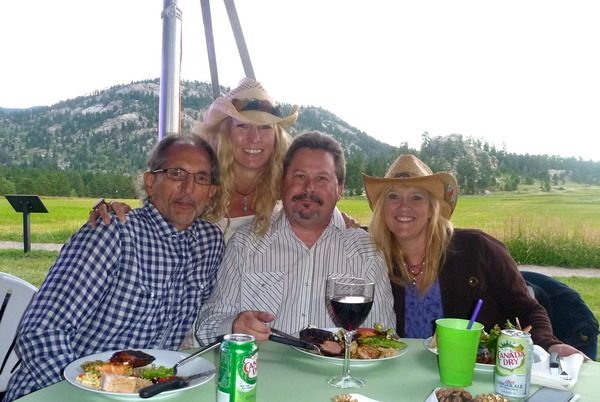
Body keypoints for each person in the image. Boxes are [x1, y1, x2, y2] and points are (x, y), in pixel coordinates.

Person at [3, 134, 224, 402]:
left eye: (201, 178)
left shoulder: (209, 243)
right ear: (150, 182)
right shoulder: (113, 231)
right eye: (176, 173)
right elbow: (41, 332)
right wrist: (81, 394)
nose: (188, 188)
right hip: (57, 392)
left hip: (145, 393)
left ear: (211, 191)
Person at [362, 154, 584, 357]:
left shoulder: (477, 248)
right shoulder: (372, 258)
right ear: (382, 207)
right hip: (404, 373)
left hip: (477, 372)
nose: (403, 207)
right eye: (393, 196)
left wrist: (549, 344)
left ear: (432, 208)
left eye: (416, 198)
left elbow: (526, 309)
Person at [195, 131, 396, 344]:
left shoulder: (366, 251)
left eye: (321, 179)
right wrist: (233, 326)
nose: (309, 188)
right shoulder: (246, 243)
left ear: (339, 189)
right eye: (299, 176)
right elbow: (206, 326)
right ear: (283, 182)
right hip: (262, 365)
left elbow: (383, 337)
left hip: (337, 366)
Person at [90, 77, 299, 242]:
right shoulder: (199, 184)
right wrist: (118, 215)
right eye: (243, 126)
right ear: (225, 133)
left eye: (265, 128)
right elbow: (156, 223)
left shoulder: (288, 192)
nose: (254, 138)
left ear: (276, 137)